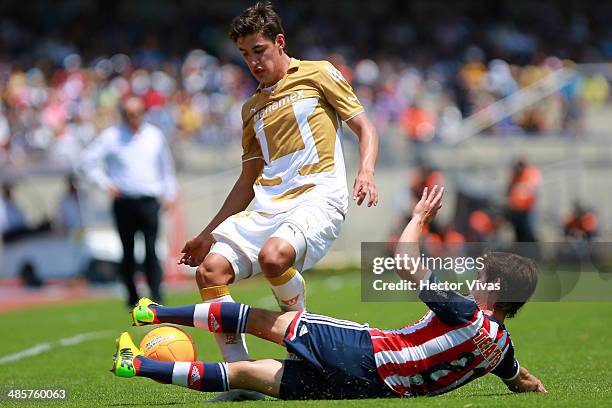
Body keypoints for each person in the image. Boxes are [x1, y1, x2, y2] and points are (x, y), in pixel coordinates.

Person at [111, 186, 546, 400]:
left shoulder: (467, 313)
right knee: (244, 375)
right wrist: (538, 389)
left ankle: (156, 312)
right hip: (369, 389)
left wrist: (419, 218)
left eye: (481, 274)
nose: (472, 278)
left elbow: (404, 260)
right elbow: (521, 381)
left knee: (257, 320)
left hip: (361, 351)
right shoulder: (501, 349)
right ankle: (138, 365)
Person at [177, 1, 379, 395]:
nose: (252, 61)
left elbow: (364, 125)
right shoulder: (251, 108)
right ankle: (241, 378)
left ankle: (302, 344)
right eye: (244, 54)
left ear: (279, 42)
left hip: (318, 197)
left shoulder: (319, 73)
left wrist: (366, 170)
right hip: (268, 206)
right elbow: (248, 179)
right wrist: (207, 234)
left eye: (259, 50)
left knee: (274, 257)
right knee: (209, 272)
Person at [81, 96, 176, 306]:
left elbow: (165, 167)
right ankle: (131, 296)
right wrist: (106, 184)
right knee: (128, 250)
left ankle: (156, 293)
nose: (132, 118)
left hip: (149, 199)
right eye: (128, 114)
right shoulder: (111, 136)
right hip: (124, 201)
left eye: (136, 113)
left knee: (152, 248)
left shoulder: (153, 135)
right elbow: (88, 161)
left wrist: (169, 193)